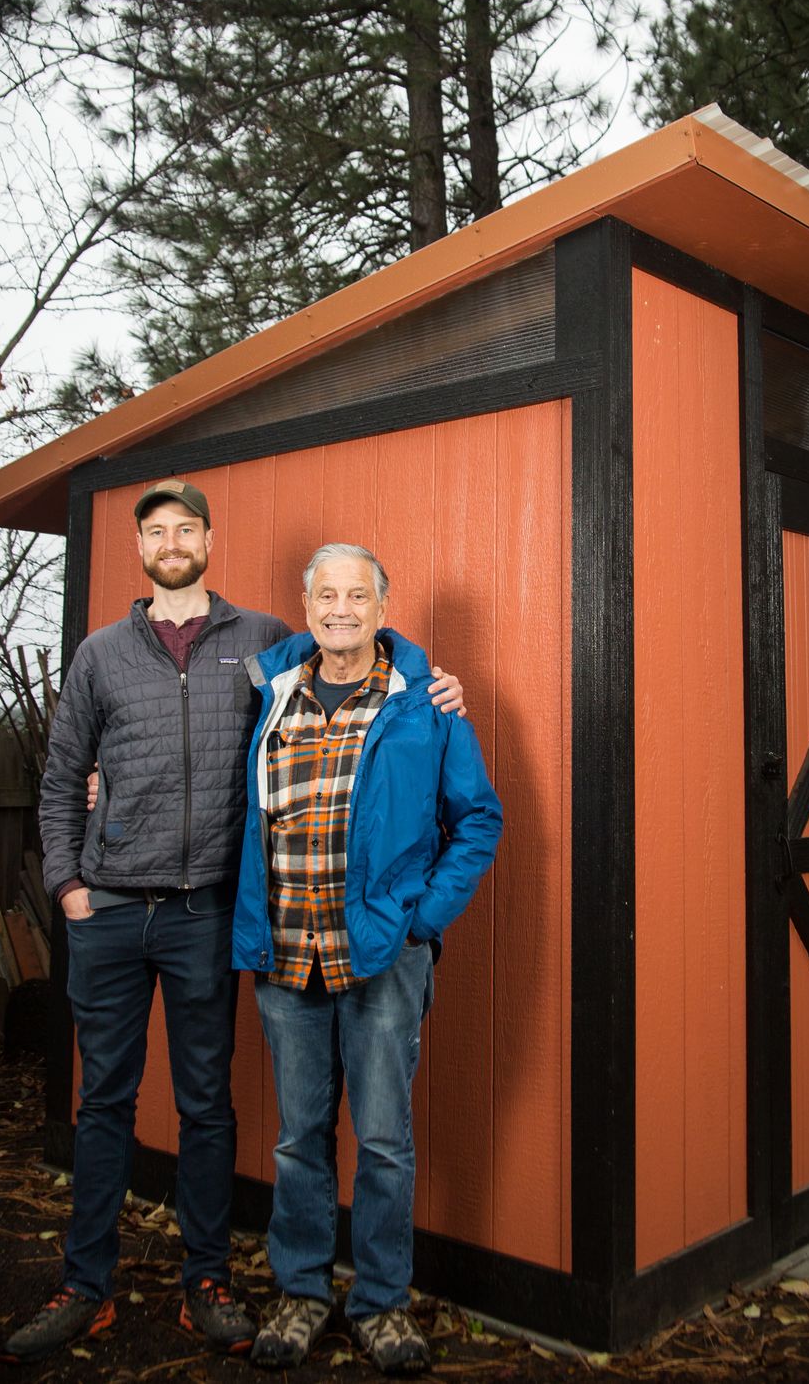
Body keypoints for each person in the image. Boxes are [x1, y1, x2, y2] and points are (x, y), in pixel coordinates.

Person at [4, 484, 463, 1365]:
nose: (171, 542)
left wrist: (432, 681)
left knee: (207, 1106)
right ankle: (83, 1284)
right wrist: (67, 885)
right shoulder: (102, 653)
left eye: (186, 529)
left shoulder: (259, 642)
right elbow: (63, 773)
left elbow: (368, 663)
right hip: (109, 911)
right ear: (140, 547)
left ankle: (206, 1281)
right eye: (156, 532)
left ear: (209, 539)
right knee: (102, 1100)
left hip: (206, 915)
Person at [232, 543, 502, 1377]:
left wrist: (421, 919)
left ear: (384, 609)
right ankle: (303, 1292)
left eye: (357, 594)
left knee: (384, 1140)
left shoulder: (429, 704)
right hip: (287, 956)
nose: (340, 608)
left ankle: (382, 1302)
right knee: (298, 1140)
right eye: (325, 594)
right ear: (306, 604)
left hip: (383, 957)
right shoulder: (269, 693)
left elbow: (479, 818)